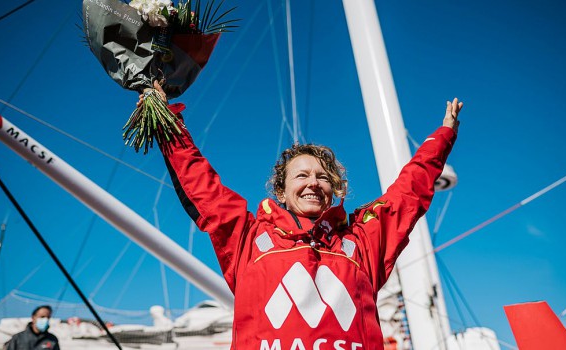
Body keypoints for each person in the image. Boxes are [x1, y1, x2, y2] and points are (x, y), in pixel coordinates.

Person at [144, 82, 463, 348]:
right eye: (301, 175)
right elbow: (200, 184)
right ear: (280, 192)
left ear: (335, 188)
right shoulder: (249, 238)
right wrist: (166, 120)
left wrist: (442, 138)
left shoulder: (363, 241)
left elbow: (407, 194)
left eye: (323, 177)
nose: (313, 182)